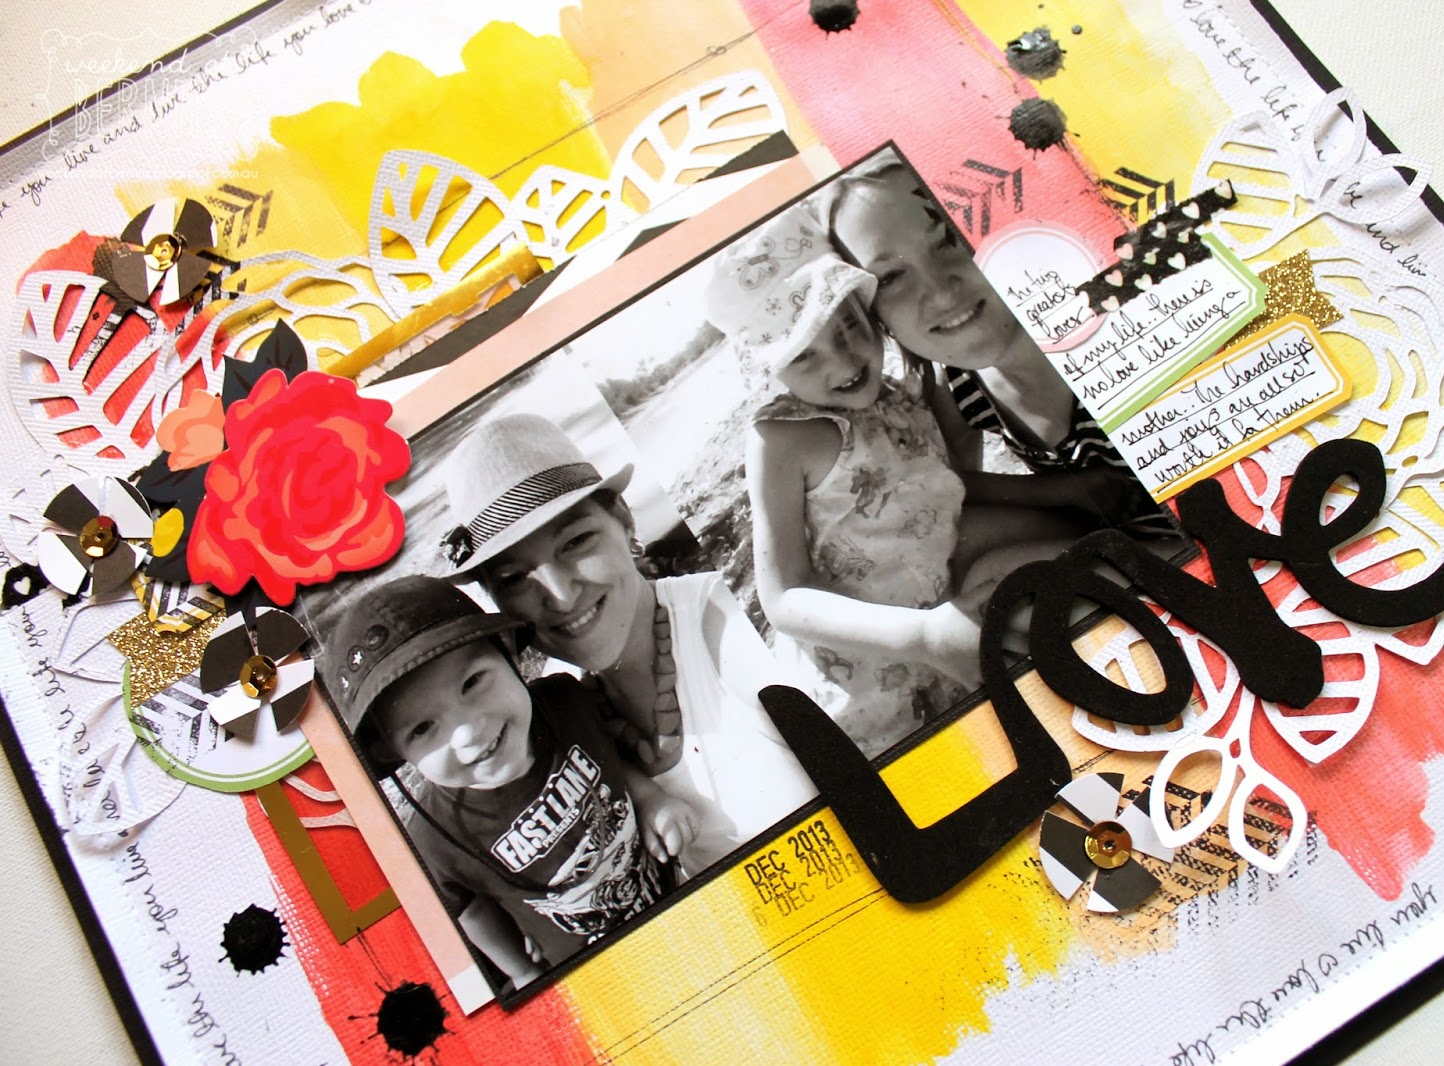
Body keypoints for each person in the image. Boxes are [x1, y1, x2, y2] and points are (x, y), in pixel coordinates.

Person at [706, 209, 1082, 759]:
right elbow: (784, 596)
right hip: (878, 670)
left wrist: (1063, 491)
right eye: (805, 353)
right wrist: (921, 636)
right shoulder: (782, 439)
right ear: (772, 366)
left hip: (950, 607)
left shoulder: (899, 397)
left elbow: (947, 489)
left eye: (849, 326)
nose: (843, 360)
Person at [439, 413, 816, 876]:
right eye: (515, 578)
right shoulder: (558, 713)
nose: (560, 595)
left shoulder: (723, 622)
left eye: (576, 542)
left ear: (622, 519)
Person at [328, 575, 696, 988]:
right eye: (423, 729)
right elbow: (469, 910)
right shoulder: (435, 835)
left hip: (674, 897)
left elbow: (606, 753)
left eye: (472, 683)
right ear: (392, 753)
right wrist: (521, 972)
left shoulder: (564, 703)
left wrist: (650, 799)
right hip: (600, 978)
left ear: (506, 653)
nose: (469, 732)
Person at [815, 153, 1175, 539]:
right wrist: (1060, 491)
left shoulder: (1128, 341)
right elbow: (947, 482)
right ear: (875, 318)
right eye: (890, 277)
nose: (940, 291)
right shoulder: (961, 385)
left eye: (950, 238)